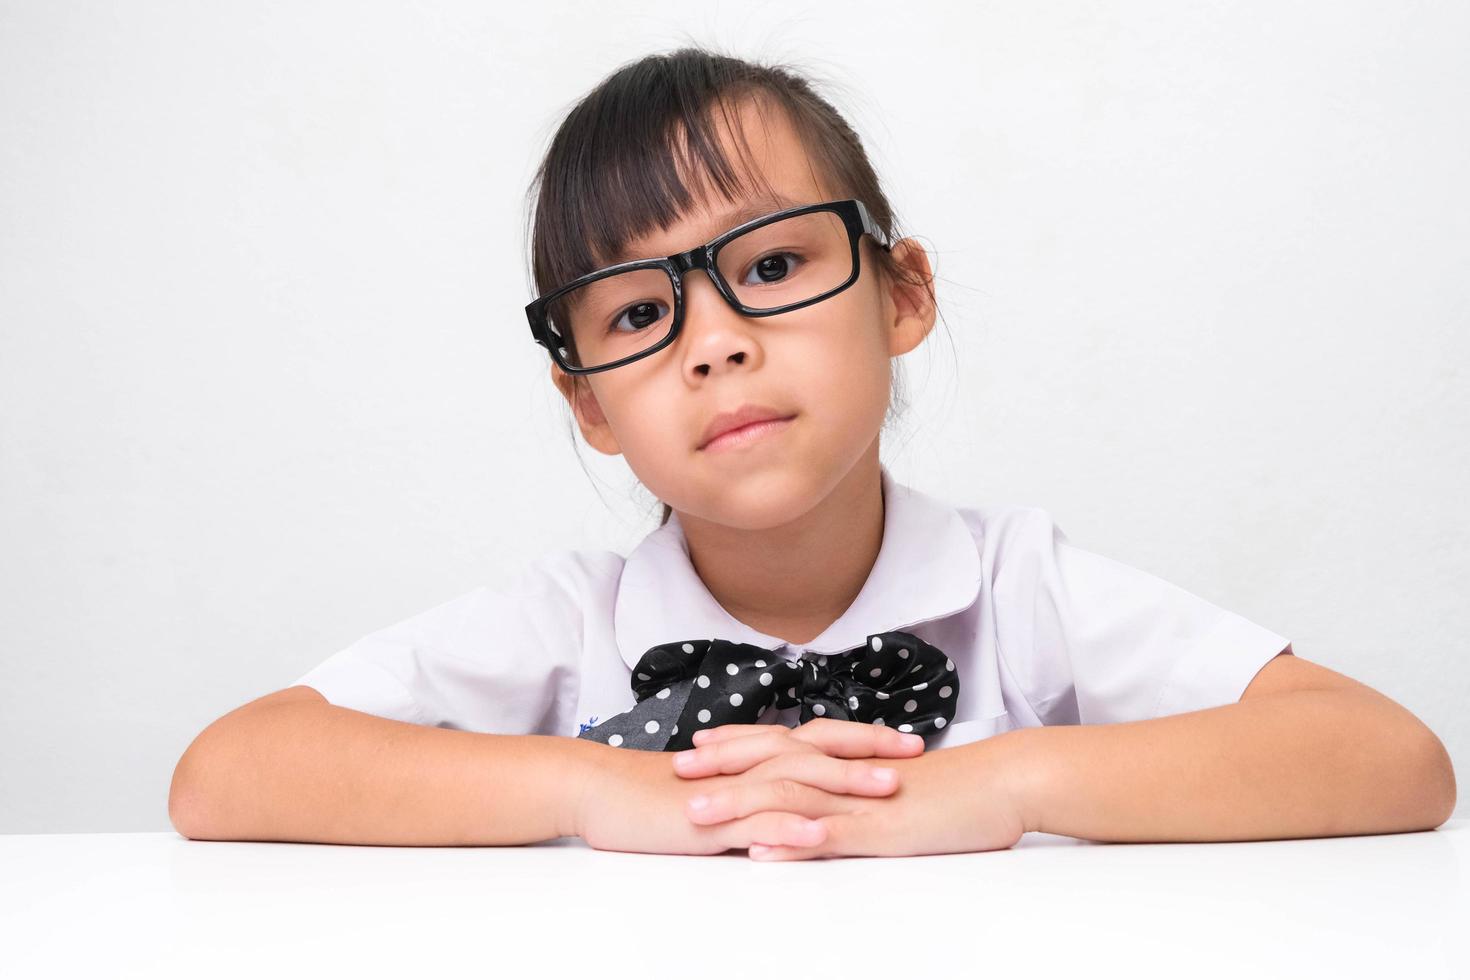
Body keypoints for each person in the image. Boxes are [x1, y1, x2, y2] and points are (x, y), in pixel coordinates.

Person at [168, 45, 1456, 859]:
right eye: (635, 312)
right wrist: (587, 791)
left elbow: (1390, 759)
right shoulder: (572, 621)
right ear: (592, 407)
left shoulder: (1022, 590)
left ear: (901, 293)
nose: (714, 344)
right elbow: (226, 773)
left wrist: (1005, 786)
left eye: (773, 264)